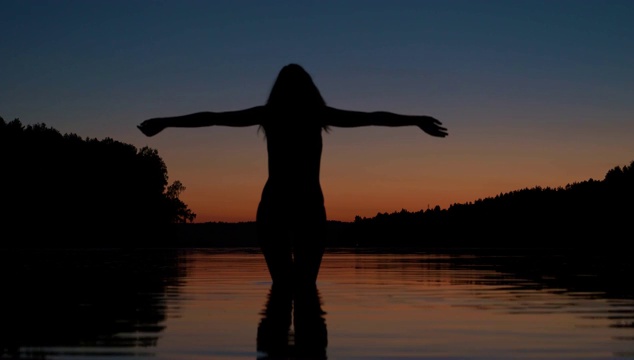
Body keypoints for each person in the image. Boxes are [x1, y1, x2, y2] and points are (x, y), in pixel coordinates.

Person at [138, 64, 448, 285]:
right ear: (311, 91)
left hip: (279, 205)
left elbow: (213, 118)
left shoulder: (272, 115)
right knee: (301, 289)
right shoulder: (313, 115)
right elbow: (372, 118)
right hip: (304, 205)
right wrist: (416, 120)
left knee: (286, 288)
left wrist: (165, 121)